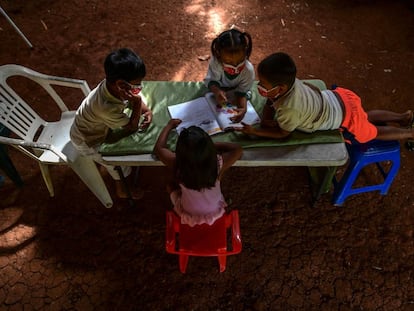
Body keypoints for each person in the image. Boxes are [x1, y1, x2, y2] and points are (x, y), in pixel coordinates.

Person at [238, 52, 414, 145]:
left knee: (373, 132)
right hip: (341, 99)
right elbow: (270, 102)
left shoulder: (289, 109)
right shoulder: (291, 83)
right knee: (364, 115)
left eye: (263, 85)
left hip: (344, 118)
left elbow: (283, 133)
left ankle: (409, 133)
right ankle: (402, 117)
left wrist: (255, 132)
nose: (259, 87)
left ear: (280, 88)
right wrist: (267, 118)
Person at [70, 48, 153, 200]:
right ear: (121, 85)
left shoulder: (112, 86)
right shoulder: (106, 107)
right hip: (88, 139)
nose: (138, 89)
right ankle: (122, 189)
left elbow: (132, 98)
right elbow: (132, 127)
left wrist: (146, 111)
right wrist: (138, 102)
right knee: (117, 162)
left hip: (92, 126)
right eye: (136, 86)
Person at [154, 119, 242, 226]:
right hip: (214, 212)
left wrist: (169, 125)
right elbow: (237, 149)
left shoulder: (176, 164)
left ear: (180, 151)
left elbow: (159, 149)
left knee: (170, 186)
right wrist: (208, 148)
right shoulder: (217, 164)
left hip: (188, 212)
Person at [204, 28, 255, 123]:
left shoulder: (248, 71)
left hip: (237, 91)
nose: (235, 66)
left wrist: (243, 108)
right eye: (228, 62)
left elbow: (242, 92)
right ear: (218, 54)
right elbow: (212, 81)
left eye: (240, 61)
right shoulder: (215, 63)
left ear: (246, 52)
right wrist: (217, 92)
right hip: (220, 88)